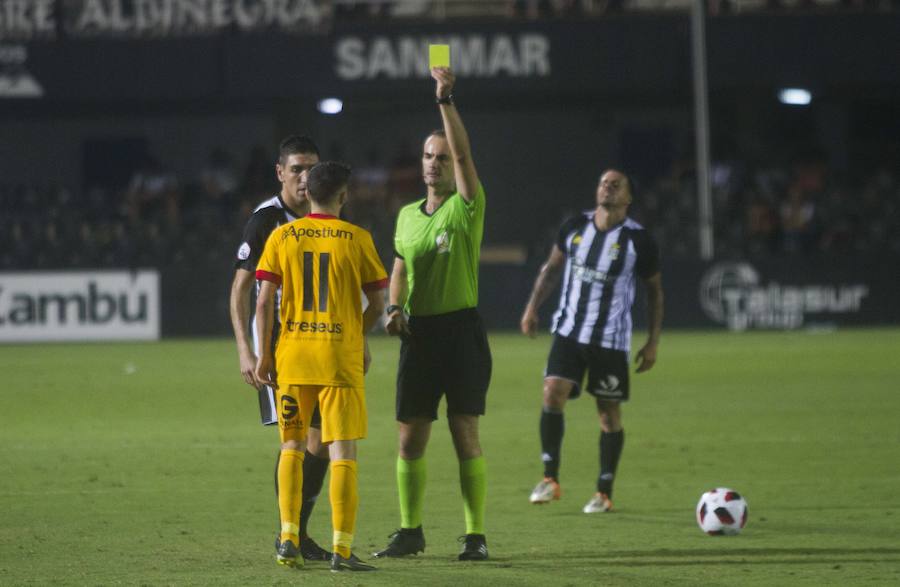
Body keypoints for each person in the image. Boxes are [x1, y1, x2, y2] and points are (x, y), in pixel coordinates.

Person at [373, 66, 492, 561]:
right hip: (419, 335)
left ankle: (475, 536)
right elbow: (398, 267)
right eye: (428, 156)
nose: (434, 163)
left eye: (441, 157)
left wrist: (445, 101)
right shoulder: (405, 216)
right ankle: (410, 531)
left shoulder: (466, 206)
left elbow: (463, 152)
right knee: (409, 437)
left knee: (464, 433)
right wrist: (392, 307)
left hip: (461, 332)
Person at [254, 161, 387, 571]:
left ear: (307, 192)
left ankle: (288, 538)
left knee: (291, 447)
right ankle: (342, 550)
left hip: (293, 358)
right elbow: (378, 304)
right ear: (344, 196)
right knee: (342, 451)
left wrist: (264, 355)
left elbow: (262, 301)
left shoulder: (282, 236)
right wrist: (356, 335)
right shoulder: (357, 239)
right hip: (338, 360)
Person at [519, 169, 663, 513]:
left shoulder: (638, 241)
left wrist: (653, 341)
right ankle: (550, 478)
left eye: (616, 184)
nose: (607, 187)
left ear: (628, 197)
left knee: (607, 414)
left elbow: (655, 293)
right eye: (603, 182)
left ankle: (604, 491)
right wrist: (531, 308)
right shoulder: (574, 227)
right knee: (552, 392)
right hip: (569, 331)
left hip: (610, 340)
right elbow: (551, 269)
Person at [228, 135, 332, 561]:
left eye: (312, 169)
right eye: (296, 169)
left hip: (319, 345)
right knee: (294, 439)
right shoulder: (266, 220)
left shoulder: (327, 215)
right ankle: (289, 532)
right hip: (278, 350)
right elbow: (239, 292)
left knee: (322, 441)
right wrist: (246, 351)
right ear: (280, 173)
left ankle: (298, 532)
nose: (305, 178)